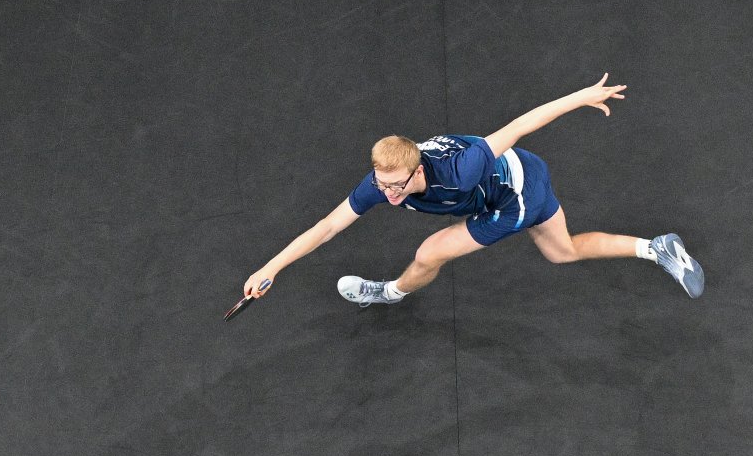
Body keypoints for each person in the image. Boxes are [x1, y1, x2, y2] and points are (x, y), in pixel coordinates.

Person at [241, 74, 704, 307]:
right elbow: (327, 227)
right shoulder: (383, 181)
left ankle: (389, 293)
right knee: (562, 253)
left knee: (428, 253)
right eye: (381, 185)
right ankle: (656, 247)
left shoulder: (463, 167)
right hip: (524, 180)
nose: (389, 195)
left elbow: (520, 125)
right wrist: (272, 267)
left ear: (417, 170)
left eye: (396, 187)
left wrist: (582, 98)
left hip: (514, 195)